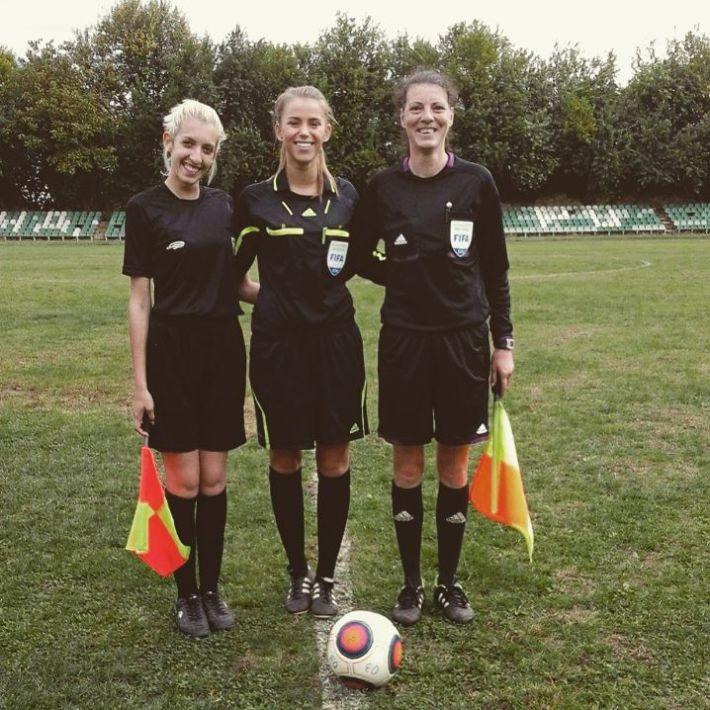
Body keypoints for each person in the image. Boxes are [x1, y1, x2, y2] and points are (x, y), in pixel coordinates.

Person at [351, 69, 514, 625]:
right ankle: (410, 585)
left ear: (451, 116)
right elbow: (357, 256)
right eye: (416, 108)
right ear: (402, 118)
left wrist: (503, 343)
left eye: (437, 107)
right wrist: (399, 272)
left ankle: (448, 582)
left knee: (453, 459)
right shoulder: (382, 187)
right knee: (407, 460)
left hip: (464, 340)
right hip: (404, 340)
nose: (427, 117)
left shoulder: (476, 182)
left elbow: (496, 269)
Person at [123, 99, 258, 638]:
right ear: (168, 142)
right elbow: (140, 300)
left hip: (222, 348)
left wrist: (291, 294)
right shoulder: (144, 208)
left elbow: (237, 282)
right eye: (188, 144)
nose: (196, 157)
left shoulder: (224, 206)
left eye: (207, 149)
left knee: (214, 478)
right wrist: (141, 384)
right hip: (171, 352)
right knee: (182, 479)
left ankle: (212, 589)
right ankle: (187, 595)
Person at [233, 86, 367, 618]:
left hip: (336, 346)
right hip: (279, 349)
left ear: (327, 130)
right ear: (278, 130)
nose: (303, 132)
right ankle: (297, 573)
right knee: (284, 456)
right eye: (294, 122)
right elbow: (231, 277)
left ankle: (327, 577)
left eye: (314, 122)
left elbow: (366, 261)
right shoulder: (254, 200)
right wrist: (275, 301)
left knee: (335, 457)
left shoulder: (349, 197)